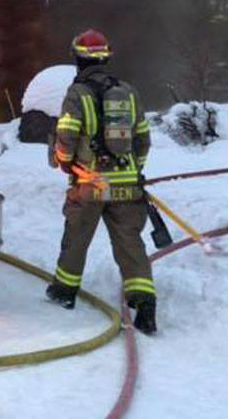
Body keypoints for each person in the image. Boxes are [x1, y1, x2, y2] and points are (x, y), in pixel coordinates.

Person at [45, 29, 157, 335]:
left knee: (77, 238)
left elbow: (66, 135)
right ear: (106, 57)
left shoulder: (77, 93)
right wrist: (133, 172)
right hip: (128, 185)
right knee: (130, 244)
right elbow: (143, 140)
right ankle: (144, 302)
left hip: (90, 182)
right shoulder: (129, 92)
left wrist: (67, 163)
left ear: (78, 58)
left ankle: (65, 292)